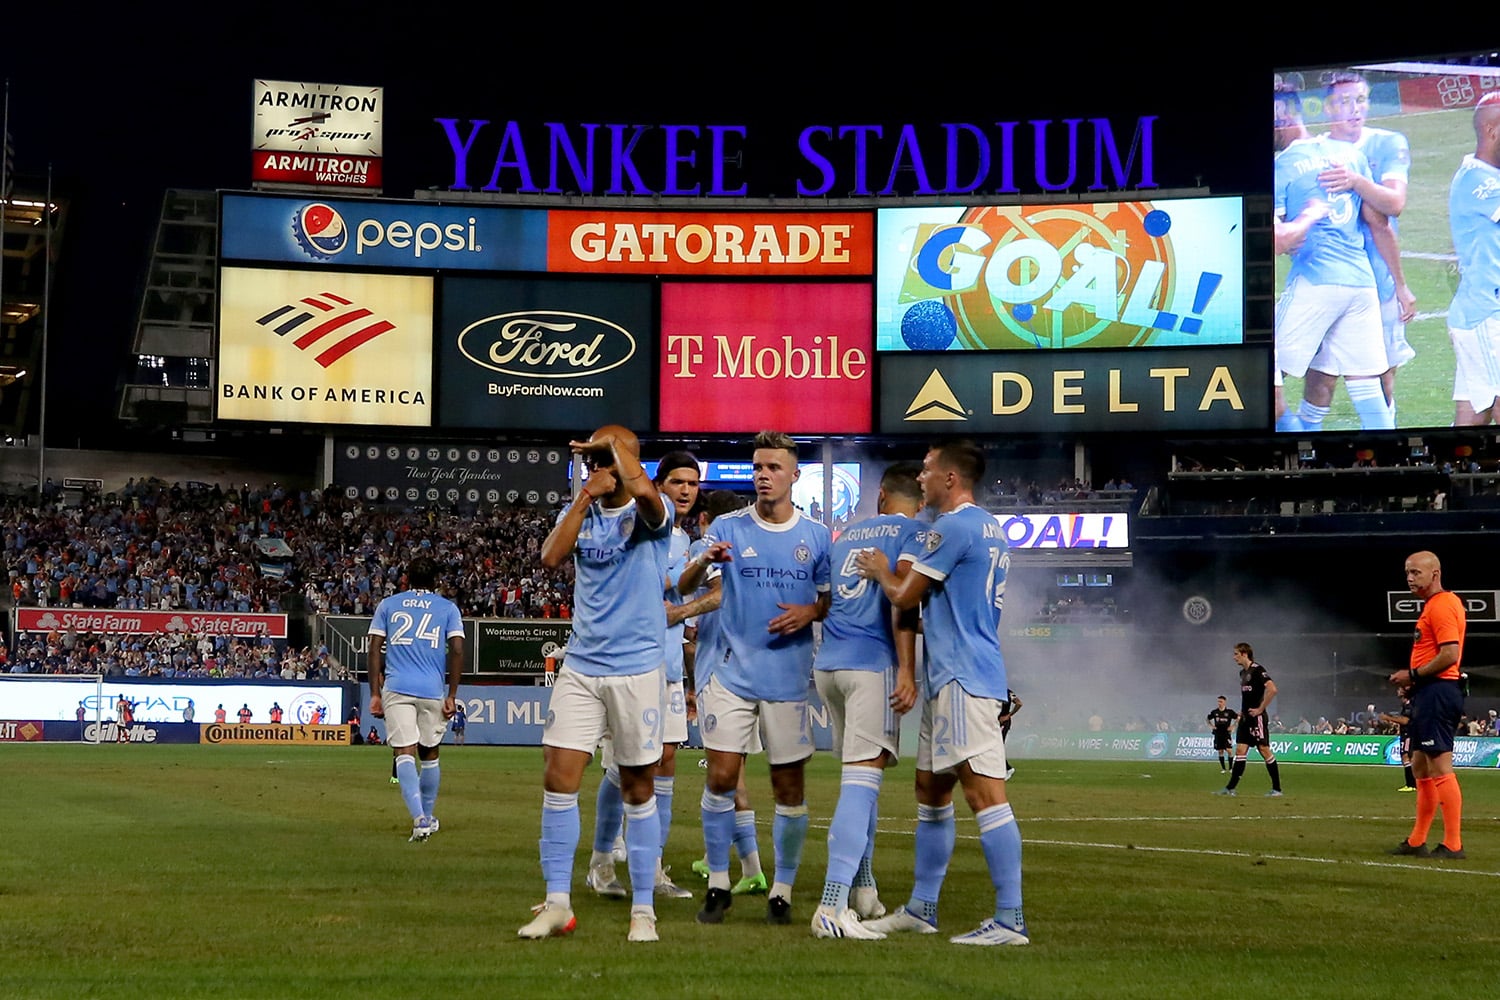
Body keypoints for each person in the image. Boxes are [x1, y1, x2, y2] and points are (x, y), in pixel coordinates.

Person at [855, 439, 1029, 946]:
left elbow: (904, 594)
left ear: (951, 479)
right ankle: (921, 908)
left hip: (963, 678)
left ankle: (1010, 920)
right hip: (950, 674)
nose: (922, 479)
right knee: (931, 790)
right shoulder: (989, 528)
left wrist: (880, 569)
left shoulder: (952, 527)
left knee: (985, 795)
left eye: (929, 471)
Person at [520, 424, 670, 944]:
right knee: (559, 776)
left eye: (606, 456)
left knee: (637, 785)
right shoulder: (582, 511)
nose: (596, 465)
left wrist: (618, 459)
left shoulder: (652, 517)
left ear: (629, 458)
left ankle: (644, 910)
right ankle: (558, 901)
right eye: (591, 459)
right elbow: (549, 557)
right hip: (582, 664)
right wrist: (586, 493)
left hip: (637, 668)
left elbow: (648, 496)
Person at [678, 431, 830, 927]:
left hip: (787, 677)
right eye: (757, 467)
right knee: (722, 777)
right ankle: (718, 882)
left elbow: (831, 599)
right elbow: (685, 584)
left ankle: (781, 889)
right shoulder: (727, 526)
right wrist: (703, 561)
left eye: (773, 468)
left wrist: (810, 610)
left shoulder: (817, 536)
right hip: (730, 672)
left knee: (788, 786)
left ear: (794, 475)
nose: (763, 475)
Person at [809, 462, 922, 940]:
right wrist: (907, 670)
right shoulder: (915, 533)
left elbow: (829, 600)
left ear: (880, 497)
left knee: (863, 778)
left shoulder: (844, 535)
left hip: (829, 665)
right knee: (860, 783)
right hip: (869, 663)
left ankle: (864, 889)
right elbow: (904, 603)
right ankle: (831, 905)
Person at [586, 451, 701, 903]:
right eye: (677, 481)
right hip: (628, 665)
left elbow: (682, 599)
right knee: (626, 767)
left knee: (666, 762)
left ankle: (652, 868)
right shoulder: (636, 526)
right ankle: (601, 859)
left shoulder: (685, 541)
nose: (686, 490)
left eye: (693, 483)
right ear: (655, 485)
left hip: (668, 669)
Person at [1273, 82, 1412, 432]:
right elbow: (1379, 223)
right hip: (1361, 286)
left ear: (1282, 115)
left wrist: (1303, 221)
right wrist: (1400, 285)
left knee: (1259, 373)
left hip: (1316, 282)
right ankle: (1390, 464)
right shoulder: (1348, 155)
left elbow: (1276, 242)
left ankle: (1298, 454)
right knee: (1368, 386)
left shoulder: (1282, 167)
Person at [682, 490, 768, 897]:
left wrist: (680, 614)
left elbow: (718, 595)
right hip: (748, 668)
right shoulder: (753, 547)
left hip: (720, 670)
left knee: (724, 776)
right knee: (735, 776)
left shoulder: (707, 544)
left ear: (704, 519)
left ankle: (728, 869)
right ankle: (749, 868)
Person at [1319, 70, 1417, 425]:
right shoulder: (1315, 153)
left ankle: (1384, 439)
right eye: (1345, 101)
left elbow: (1393, 204)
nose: (1354, 109)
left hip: (1380, 281)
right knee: (1321, 380)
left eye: (1360, 100)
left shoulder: (1388, 143)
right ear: (1328, 107)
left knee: (1385, 375)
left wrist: (1356, 181)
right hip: (1332, 283)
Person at [367, 555, 465, 844]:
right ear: (435, 581)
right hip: (432, 689)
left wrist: (374, 693)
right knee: (430, 753)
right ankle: (428, 816)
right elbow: (457, 650)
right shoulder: (448, 608)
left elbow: (374, 649)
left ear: (406, 578)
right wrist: (452, 695)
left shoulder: (388, 604)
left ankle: (420, 819)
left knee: (404, 753)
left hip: (397, 687)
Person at [1387, 551, 1466, 858]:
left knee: (1439, 764)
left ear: (1435, 573)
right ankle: (1417, 841)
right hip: (1428, 690)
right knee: (1420, 765)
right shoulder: (1433, 606)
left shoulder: (1443, 605)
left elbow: (1450, 655)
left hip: (1439, 690)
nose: (1410, 577)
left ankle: (1453, 844)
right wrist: (1413, 683)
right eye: (1407, 572)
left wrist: (1414, 674)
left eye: (1416, 572)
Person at [1446, 93, 1500, 425]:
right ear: (1492, 129)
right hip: (1486, 317)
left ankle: (1447, 475)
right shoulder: (1478, 181)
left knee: (1471, 414)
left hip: (1480, 316)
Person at [1215, 644, 1283, 796]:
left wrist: (1260, 709)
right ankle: (1230, 788)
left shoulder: (1258, 670)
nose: (1234, 657)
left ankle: (1277, 789)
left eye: (1236, 654)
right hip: (1245, 719)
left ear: (1245, 654)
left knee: (1264, 750)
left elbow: (1272, 689)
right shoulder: (1242, 673)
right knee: (1240, 751)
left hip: (1256, 718)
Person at [1378, 690, 1415, 792]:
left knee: (1406, 757)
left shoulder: (1408, 706)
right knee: (1408, 757)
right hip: (1406, 734)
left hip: (1408, 734)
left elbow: (1405, 721)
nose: (1397, 691)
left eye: (1400, 690)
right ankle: (1413, 784)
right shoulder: (1404, 705)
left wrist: (1388, 718)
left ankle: (1411, 784)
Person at [1206, 696, 1239, 773]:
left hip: (1226, 734)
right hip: (1218, 734)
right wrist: (1211, 726)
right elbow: (1207, 718)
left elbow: (1238, 718)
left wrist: (1233, 726)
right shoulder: (1215, 712)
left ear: (1225, 702)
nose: (1219, 703)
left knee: (1229, 750)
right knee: (1220, 751)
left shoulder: (1229, 712)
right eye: (1218, 701)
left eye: (1221, 701)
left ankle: (1231, 768)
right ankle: (1223, 769)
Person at [997, 688, 1023, 781]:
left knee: (997, 746)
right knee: (994, 746)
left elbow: (1019, 703)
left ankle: (1008, 769)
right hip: (995, 722)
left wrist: (1008, 715)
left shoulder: (1007, 692)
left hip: (1003, 722)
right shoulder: (1001, 691)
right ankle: (1002, 768)